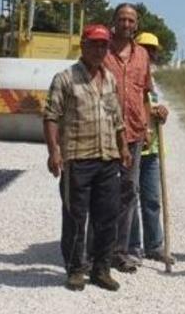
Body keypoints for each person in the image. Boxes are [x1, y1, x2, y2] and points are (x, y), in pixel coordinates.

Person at [43, 24, 132, 292]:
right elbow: (51, 116)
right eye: (93, 44)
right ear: (82, 45)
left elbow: (117, 118)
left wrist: (124, 148)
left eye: (103, 45)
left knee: (107, 217)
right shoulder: (65, 78)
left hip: (108, 159)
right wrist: (54, 152)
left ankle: (101, 269)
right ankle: (75, 270)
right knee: (75, 216)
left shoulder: (110, 79)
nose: (98, 49)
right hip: (78, 160)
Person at [103, 3, 168, 273]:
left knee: (129, 193)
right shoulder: (101, 50)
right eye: (122, 19)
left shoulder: (141, 55)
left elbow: (145, 93)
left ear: (136, 24)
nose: (127, 24)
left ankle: (121, 251)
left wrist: (146, 121)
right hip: (104, 134)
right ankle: (99, 249)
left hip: (134, 134)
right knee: (103, 193)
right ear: (114, 21)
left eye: (131, 20)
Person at [128, 32, 175, 264]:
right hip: (132, 146)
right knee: (130, 199)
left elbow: (159, 109)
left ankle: (155, 246)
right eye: (144, 48)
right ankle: (133, 247)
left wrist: (161, 112)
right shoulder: (130, 75)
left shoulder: (157, 80)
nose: (149, 53)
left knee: (152, 199)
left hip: (153, 149)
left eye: (152, 49)